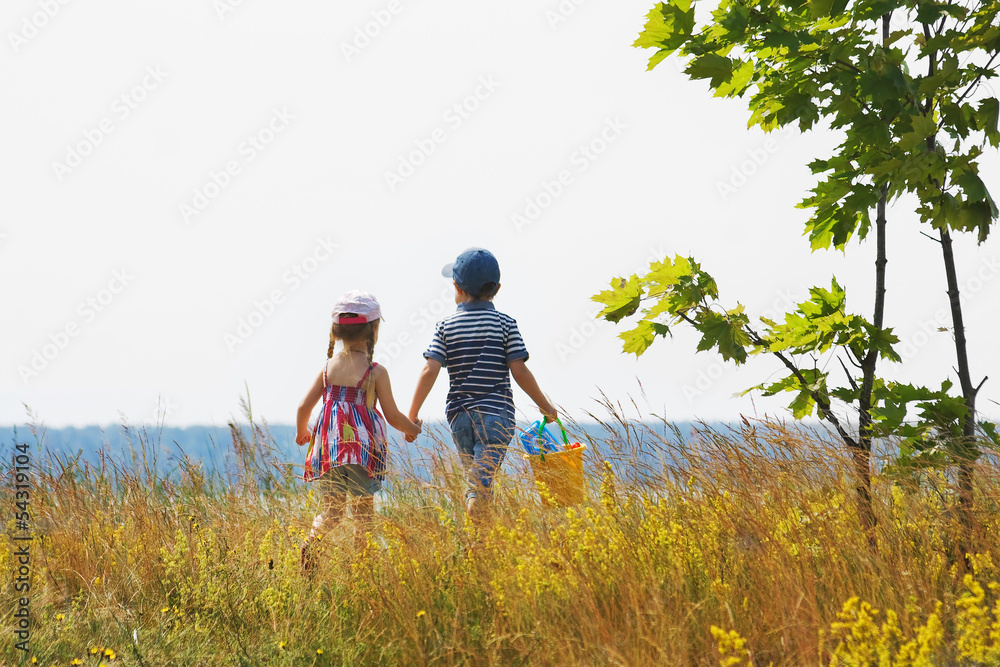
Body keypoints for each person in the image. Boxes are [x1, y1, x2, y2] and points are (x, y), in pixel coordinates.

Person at [407, 248, 558, 520]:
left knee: (479, 482)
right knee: (480, 485)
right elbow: (519, 370)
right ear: (497, 288)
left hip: (460, 419)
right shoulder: (505, 324)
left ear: (456, 287)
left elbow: (430, 369)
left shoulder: (445, 326)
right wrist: (545, 405)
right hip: (496, 417)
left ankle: (482, 546)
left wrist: (412, 413)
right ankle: (477, 539)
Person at [296, 291, 421, 568]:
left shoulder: (327, 369)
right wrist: (413, 428)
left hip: (329, 451)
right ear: (374, 331)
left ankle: (311, 542)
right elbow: (392, 415)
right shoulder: (375, 372)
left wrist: (301, 432)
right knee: (364, 516)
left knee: (332, 512)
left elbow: (303, 406)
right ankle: (361, 568)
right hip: (361, 453)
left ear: (336, 332)